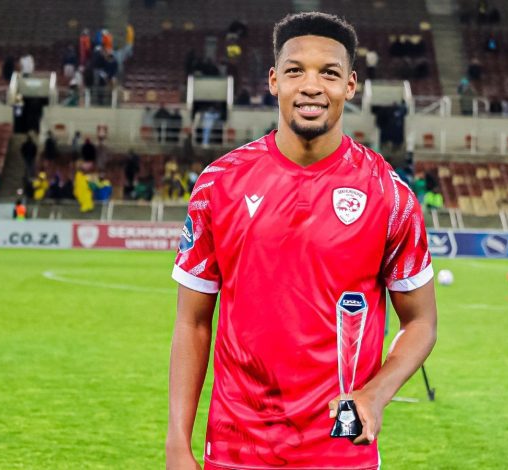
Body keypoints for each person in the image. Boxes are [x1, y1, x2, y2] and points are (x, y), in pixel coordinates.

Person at [167, 12, 437, 470]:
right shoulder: (220, 184)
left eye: (328, 73)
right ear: (274, 81)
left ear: (350, 86)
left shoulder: (389, 196)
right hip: (237, 446)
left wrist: (375, 393)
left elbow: (421, 323)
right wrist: (177, 443)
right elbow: (192, 323)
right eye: (296, 71)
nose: (311, 86)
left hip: (341, 448)